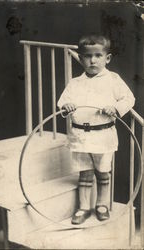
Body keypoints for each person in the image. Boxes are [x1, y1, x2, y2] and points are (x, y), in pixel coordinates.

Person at [57, 34, 135, 225]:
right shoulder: (75, 82)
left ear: (107, 58)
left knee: (102, 171)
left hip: (103, 135)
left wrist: (115, 108)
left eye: (98, 55)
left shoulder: (113, 79)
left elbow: (128, 98)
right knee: (84, 172)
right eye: (87, 56)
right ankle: (83, 207)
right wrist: (66, 106)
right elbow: (62, 101)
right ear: (81, 58)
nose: (93, 60)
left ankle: (102, 204)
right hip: (80, 135)